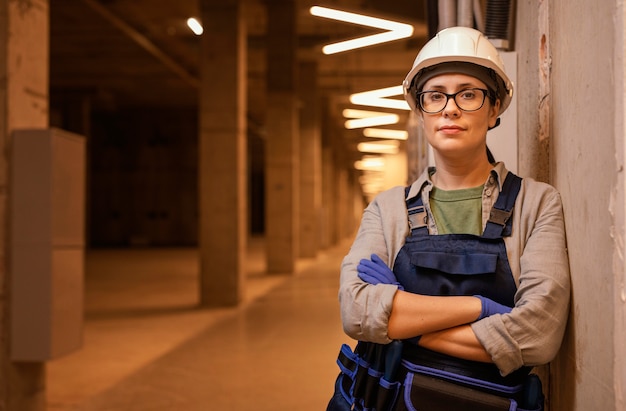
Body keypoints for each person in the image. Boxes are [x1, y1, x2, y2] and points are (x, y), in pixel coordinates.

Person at [327, 26, 571, 411]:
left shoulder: (536, 204)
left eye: (468, 94)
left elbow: (537, 336)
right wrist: (480, 308)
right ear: (421, 113)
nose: (450, 108)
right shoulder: (387, 210)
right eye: (435, 96)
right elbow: (356, 311)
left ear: (493, 111)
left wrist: (402, 321)